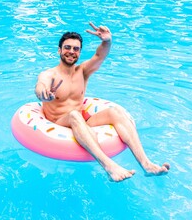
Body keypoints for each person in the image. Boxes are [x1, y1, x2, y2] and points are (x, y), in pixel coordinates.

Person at [35, 22, 170, 182]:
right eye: (67, 47)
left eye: (76, 49)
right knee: (73, 115)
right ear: (59, 50)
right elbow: (41, 86)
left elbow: (99, 56)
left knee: (116, 112)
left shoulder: (82, 71)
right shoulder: (49, 74)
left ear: (79, 53)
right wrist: (44, 94)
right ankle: (109, 167)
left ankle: (146, 164)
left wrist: (107, 41)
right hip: (58, 122)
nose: (71, 52)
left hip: (80, 122)